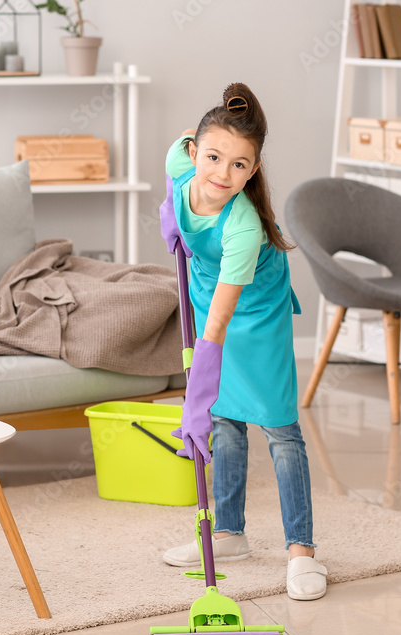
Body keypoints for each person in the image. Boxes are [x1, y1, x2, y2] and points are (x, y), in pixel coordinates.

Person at [159, 82, 327, 600]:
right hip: (209, 290)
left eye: (239, 165)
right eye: (213, 156)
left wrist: (195, 400)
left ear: (253, 171)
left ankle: (301, 551)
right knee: (227, 420)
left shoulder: (245, 228)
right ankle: (228, 533)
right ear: (194, 153)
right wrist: (173, 219)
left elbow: (219, 327)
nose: (221, 173)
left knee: (279, 428)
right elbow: (182, 150)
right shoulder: (179, 163)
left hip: (253, 307)